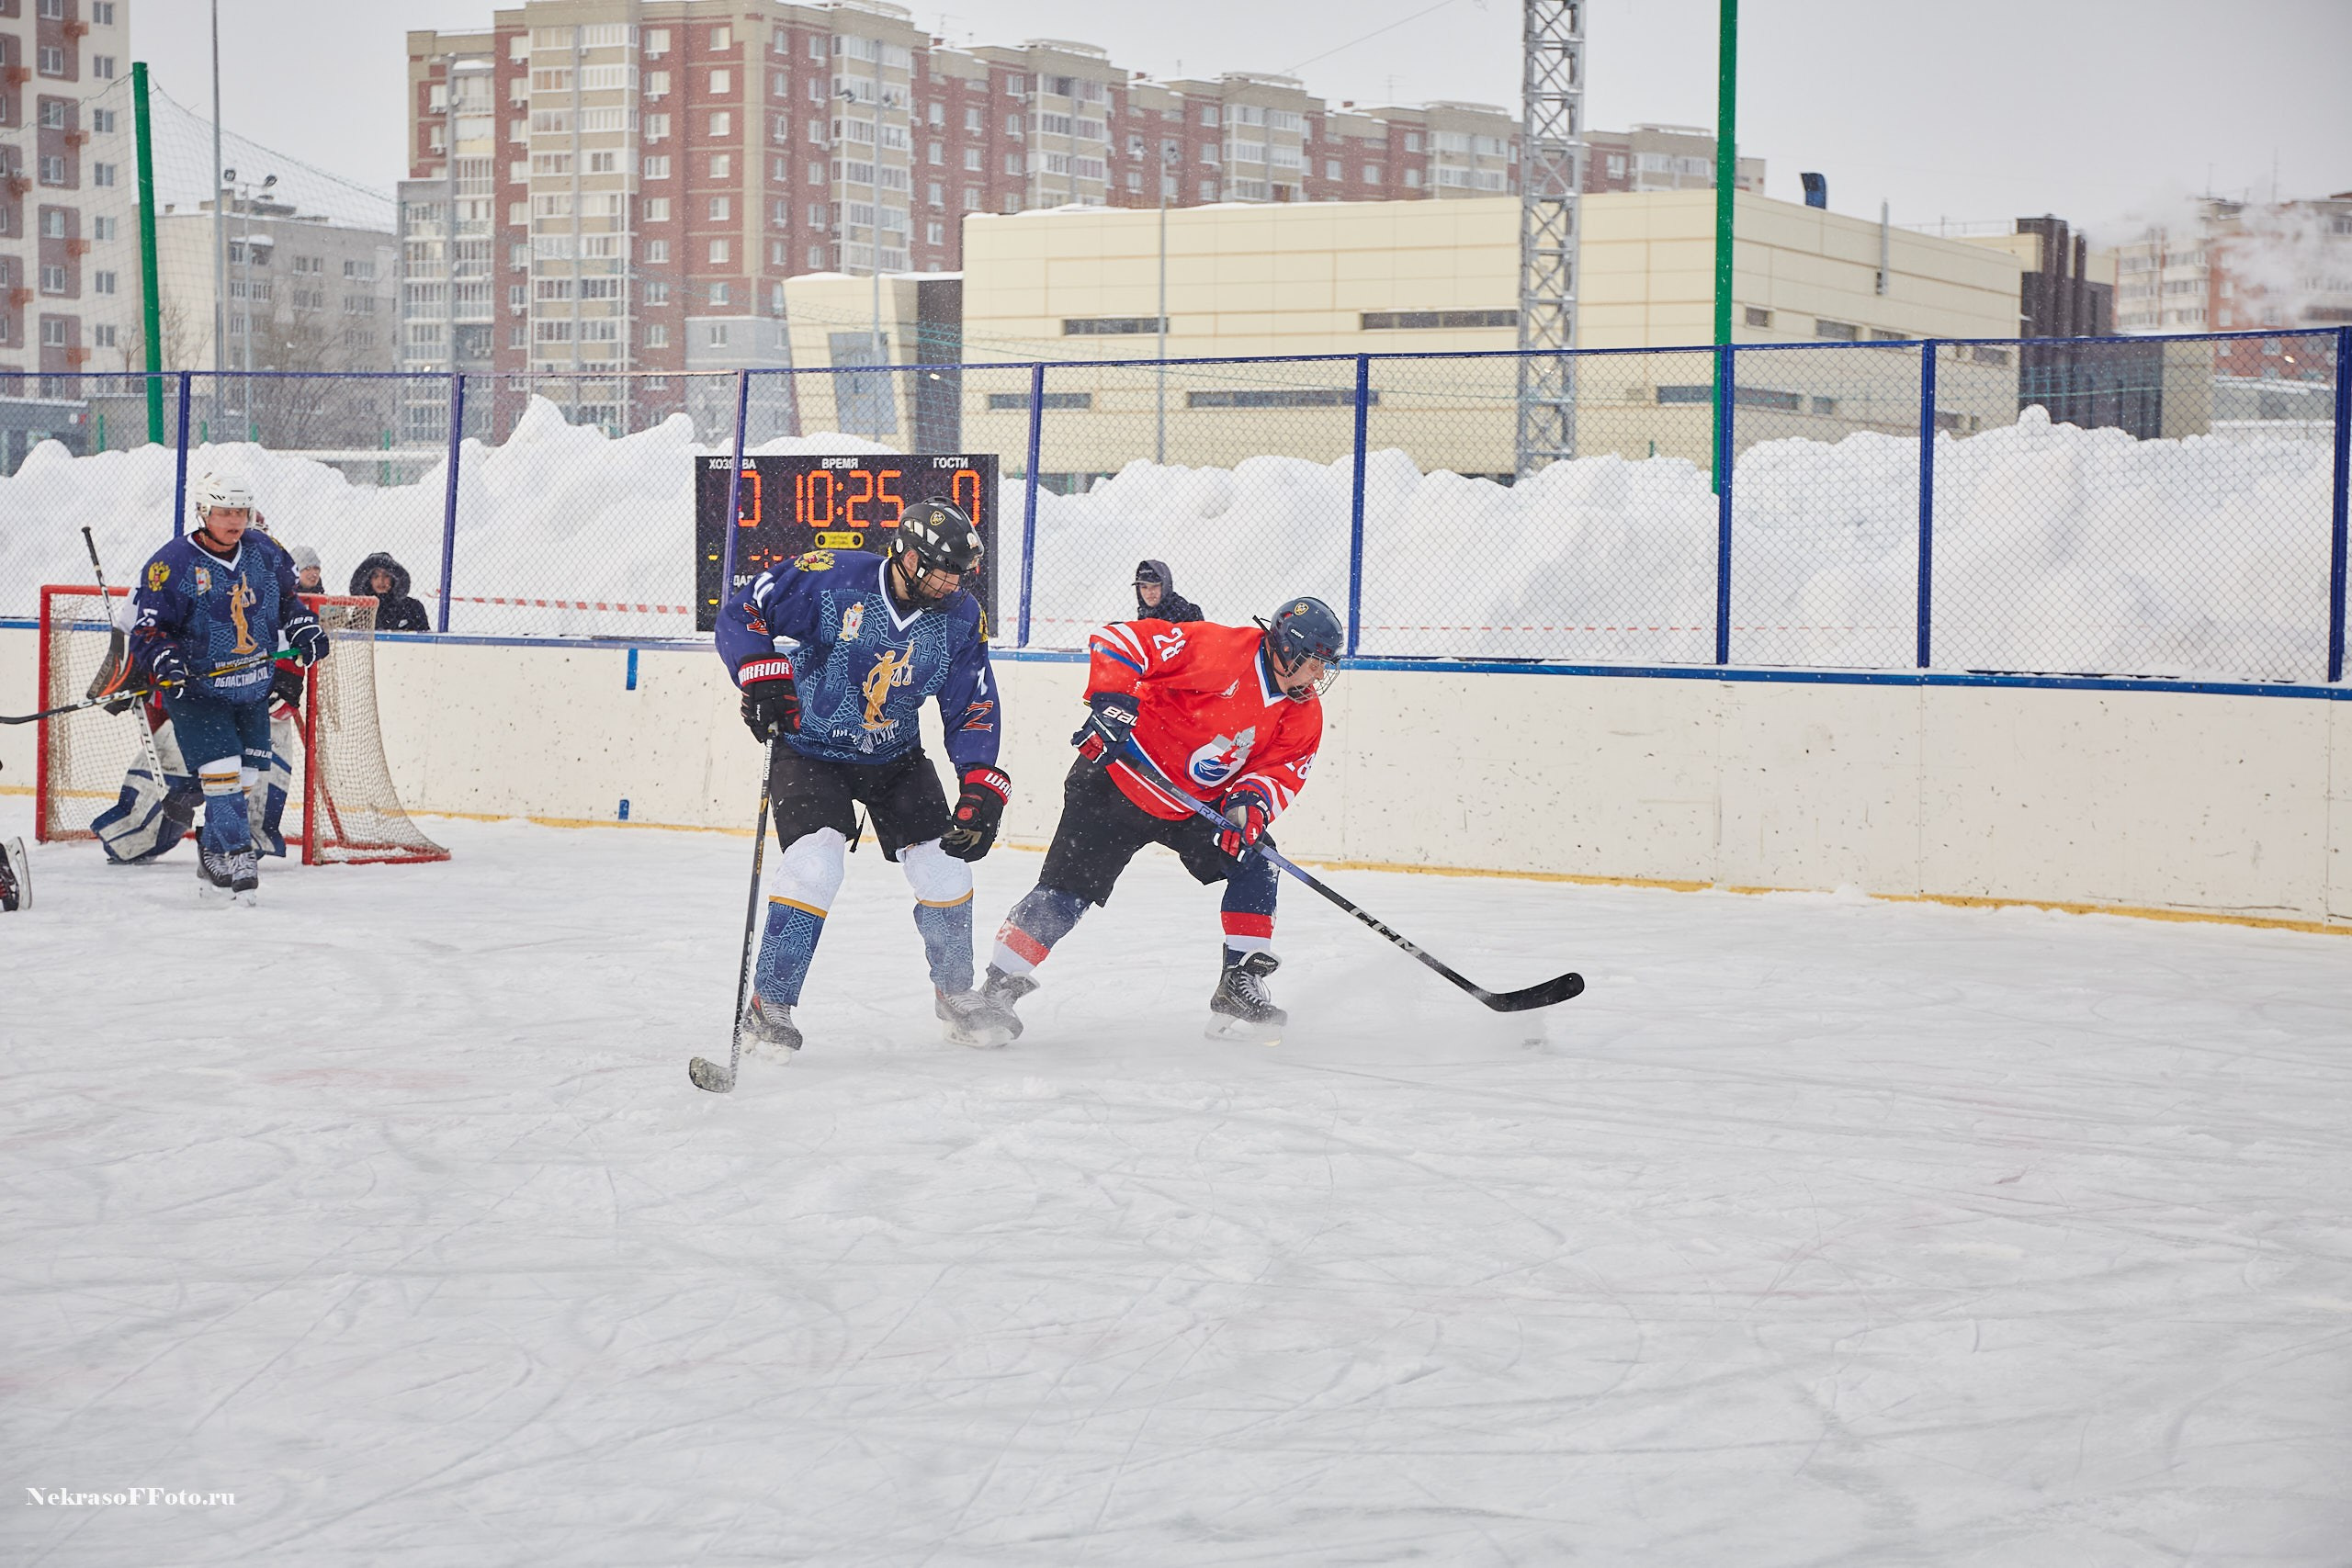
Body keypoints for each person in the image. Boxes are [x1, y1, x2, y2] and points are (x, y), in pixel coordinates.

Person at [714, 498, 1017, 1053]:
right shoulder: (832, 578)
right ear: (904, 554)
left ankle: (954, 994)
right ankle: (769, 1003)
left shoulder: (959, 617)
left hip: (895, 757)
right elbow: (743, 609)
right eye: (939, 568)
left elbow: (971, 698)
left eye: (958, 572)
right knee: (815, 865)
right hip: (811, 750)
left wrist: (979, 778)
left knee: (946, 870)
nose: (951, 582)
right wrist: (759, 669)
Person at [979, 595, 1344, 1043]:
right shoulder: (1219, 650)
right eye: (1314, 663)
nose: (1319, 676)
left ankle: (1238, 982)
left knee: (1257, 859)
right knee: (1065, 894)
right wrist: (1112, 703)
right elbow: (1121, 640)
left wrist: (1250, 804)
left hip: (1192, 805)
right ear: (1286, 649)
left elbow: (1282, 769)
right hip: (1117, 780)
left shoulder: (1303, 711)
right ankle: (996, 988)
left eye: (1326, 666)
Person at [129, 469, 330, 903]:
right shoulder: (173, 564)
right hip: (198, 693)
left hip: (251, 689)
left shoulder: (264, 551)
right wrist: (166, 659)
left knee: (245, 778)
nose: (234, 520)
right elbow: (146, 628)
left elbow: (286, 602)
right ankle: (240, 854)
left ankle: (210, 842)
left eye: (240, 511)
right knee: (222, 777)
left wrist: (303, 628)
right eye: (224, 511)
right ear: (204, 512)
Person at [349, 551, 431, 632]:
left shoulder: (412, 607)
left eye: (386, 576)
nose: (381, 581)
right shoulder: (363, 610)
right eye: (375, 576)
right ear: (369, 580)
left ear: (393, 578)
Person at [1133, 559, 1202, 624]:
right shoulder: (1145, 614)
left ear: (1165, 586)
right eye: (1144, 587)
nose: (1149, 592)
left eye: (1155, 586)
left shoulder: (1186, 613)